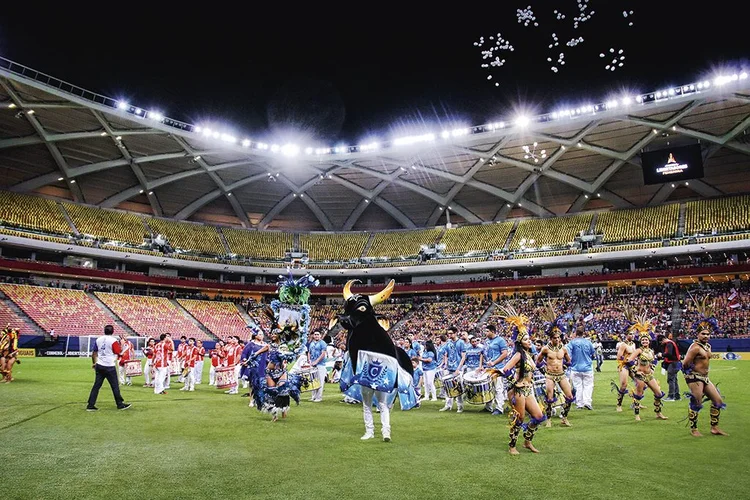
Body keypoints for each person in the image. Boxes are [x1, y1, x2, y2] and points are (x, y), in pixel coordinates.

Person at [496, 305, 546, 455]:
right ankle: (512, 446)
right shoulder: (518, 355)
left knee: (538, 416)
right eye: (526, 339)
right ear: (520, 341)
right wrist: (515, 382)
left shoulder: (528, 354)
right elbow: (505, 370)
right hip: (518, 390)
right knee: (519, 419)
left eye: (529, 338)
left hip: (528, 389)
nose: (529, 341)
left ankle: (527, 441)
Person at [682, 298, 728, 437]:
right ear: (698, 334)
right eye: (703, 334)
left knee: (718, 401)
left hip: (705, 377)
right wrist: (691, 376)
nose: (706, 336)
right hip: (695, 377)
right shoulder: (694, 347)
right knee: (697, 402)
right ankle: (694, 429)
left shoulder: (708, 346)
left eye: (708, 334)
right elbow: (684, 364)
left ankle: (714, 427)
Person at [536, 303, 574, 427]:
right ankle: (548, 419)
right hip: (550, 375)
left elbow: (569, 361)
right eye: (555, 338)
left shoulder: (564, 348)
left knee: (569, 396)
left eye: (559, 337)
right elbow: (538, 361)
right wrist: (543, 370)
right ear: (551, 338)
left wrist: (565, 367)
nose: (558, 340)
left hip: (561, 375)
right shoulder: (546, 349)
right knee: (550, 397)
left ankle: (564, 417)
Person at [627, 325, 668, 422]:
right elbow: (629, 360)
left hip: (649, 375)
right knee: (639, 395)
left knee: (658, 393)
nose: (644, 342)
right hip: (640, 376)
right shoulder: (639, 350)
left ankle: (658, 413)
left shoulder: (651, 351)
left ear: (649, 341)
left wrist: (652, 368)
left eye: (646, 340)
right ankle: (637, 415)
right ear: (640, 342)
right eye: (643, 340)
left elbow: (654, 361)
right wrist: (636, 371)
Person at [86, 325, 131, 411]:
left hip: (100, 364)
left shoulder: (98, 339)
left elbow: (94, 353)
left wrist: (94, 363)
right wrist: (121, 344)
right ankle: (120, 404)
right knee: (115, 386)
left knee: (96, 386)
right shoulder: (113, 341)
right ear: (113, 331)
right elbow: (119, 352)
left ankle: (90, 405)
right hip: (109, 366)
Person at [483, 324, 509, 415]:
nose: (485, 333)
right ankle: (488, 406)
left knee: (498, 388)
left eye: (487, 331)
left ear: (492, 331)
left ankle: (499, 408)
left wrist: (494, 363)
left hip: (498, 367)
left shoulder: (500, 340)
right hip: (489, 367)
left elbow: (505, 354)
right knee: (489, 388)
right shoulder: (486, 341)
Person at [613, 329, 641, 412]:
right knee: (624, 385)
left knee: (640, 383)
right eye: (630, 334)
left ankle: (636, 402)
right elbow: (619, 356)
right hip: (624, 366)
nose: (632, 335)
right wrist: (626, 360)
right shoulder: (623, 345)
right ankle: (619, 404)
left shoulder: (634, 344)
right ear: (626, 335)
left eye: (633, 334)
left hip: (632, 366)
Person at [567, 326, 595, 410]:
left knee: (578, 387)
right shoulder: (588, 342)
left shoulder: (572, 343)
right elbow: (593, 354)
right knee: (588, 385)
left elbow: (567, 354)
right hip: (587, 368)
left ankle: (579, 404)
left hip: (575, 368)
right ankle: (587, 402)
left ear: (575, 333)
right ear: (584, 333)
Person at [439, 327, 464, 413]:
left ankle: (459, 406)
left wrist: (459, 368)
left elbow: (463, 356)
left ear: (456, 333)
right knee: (447, 387)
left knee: (458, 388)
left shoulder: (461, 342)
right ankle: (448, 405)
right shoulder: (448, 343)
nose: (449, 335)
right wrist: (445, 364)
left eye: (451, 333)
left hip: (457, 368)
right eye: (448, 333)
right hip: (449, 367)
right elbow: (445, 353)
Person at [660, 333, 681, 401]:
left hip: (673, 363)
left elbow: (669, 354)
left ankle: (671, 396)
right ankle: (677, 395)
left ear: (663, 340)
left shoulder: (669, 344)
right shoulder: (671, 343)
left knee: (671, 379)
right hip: (676, 362)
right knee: (674, 379)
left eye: (661, 342)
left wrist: (662, 355)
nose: (661, 344)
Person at [307, 331, 328, 402]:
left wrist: (316, 361)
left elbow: (323, 354)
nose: (316, 336)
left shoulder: (323, 343)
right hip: (312, 364)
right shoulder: (311, 343)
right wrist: (309, 360)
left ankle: (319, 397)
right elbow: (309, 352)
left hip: (320, 364)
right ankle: (313, 396)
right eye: (315, 334)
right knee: (313, 380)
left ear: (320, 335)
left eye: (318, 334)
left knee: (320, 381)